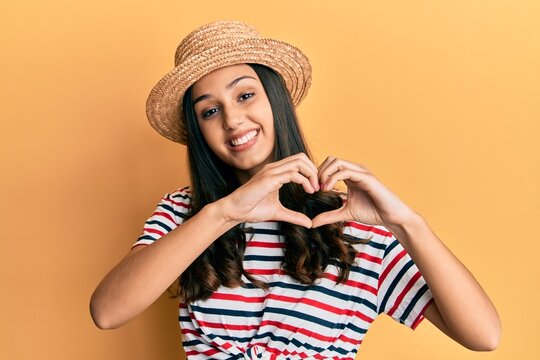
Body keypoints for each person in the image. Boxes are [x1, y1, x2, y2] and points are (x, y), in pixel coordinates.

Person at [90, 20, 501, 359]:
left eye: (246, 95)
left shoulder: (350, 220)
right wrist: (224, 213)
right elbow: (107, 311)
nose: (232, 120)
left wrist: (407, 223)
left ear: (276, 100)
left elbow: (484, 336)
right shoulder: (186, 213)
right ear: (199, 132)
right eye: (210, 111)